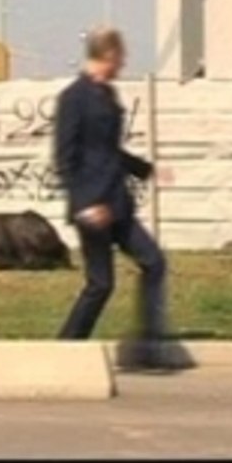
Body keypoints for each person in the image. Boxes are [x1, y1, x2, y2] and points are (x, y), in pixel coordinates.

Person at [53, 26, 168, 368]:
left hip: (117, 204)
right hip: (92, 209)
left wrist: (146, 170)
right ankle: (64, 349)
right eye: (120, 57)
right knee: (100, 284)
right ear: (107, 56)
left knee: (153, 262)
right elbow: (64, 158)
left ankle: (147, 342)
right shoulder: (73, 98)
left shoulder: (108, 96)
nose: (123, 64)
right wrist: (85, 204)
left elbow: (109, 151)